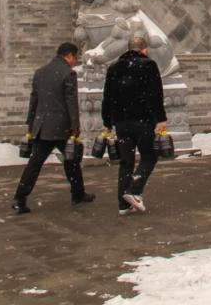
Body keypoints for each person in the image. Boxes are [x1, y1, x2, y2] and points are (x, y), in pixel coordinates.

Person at [12, 42, 95, 214]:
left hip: (42, 127)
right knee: (71, 160)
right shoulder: (68, 73)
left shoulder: (40, 72)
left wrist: (31, 125)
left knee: (34, 164)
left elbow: (34, 100)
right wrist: (75, 127)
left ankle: (19, 198)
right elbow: (71, 103)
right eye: (74, 58)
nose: (74, 62)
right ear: (69, 56)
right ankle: (77, 194)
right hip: (61, 128)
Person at [102, 34, 167, 215]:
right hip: (143, 121)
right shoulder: (148, 65)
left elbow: (107, 97)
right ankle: (134, 190)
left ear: (128, 49)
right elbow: (155, 95)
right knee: (149, 156)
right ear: (144, 50)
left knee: (126, 161)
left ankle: (123, 205)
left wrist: (107, 122)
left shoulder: (114, 67)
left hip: (121, 123)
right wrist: (160, 118)